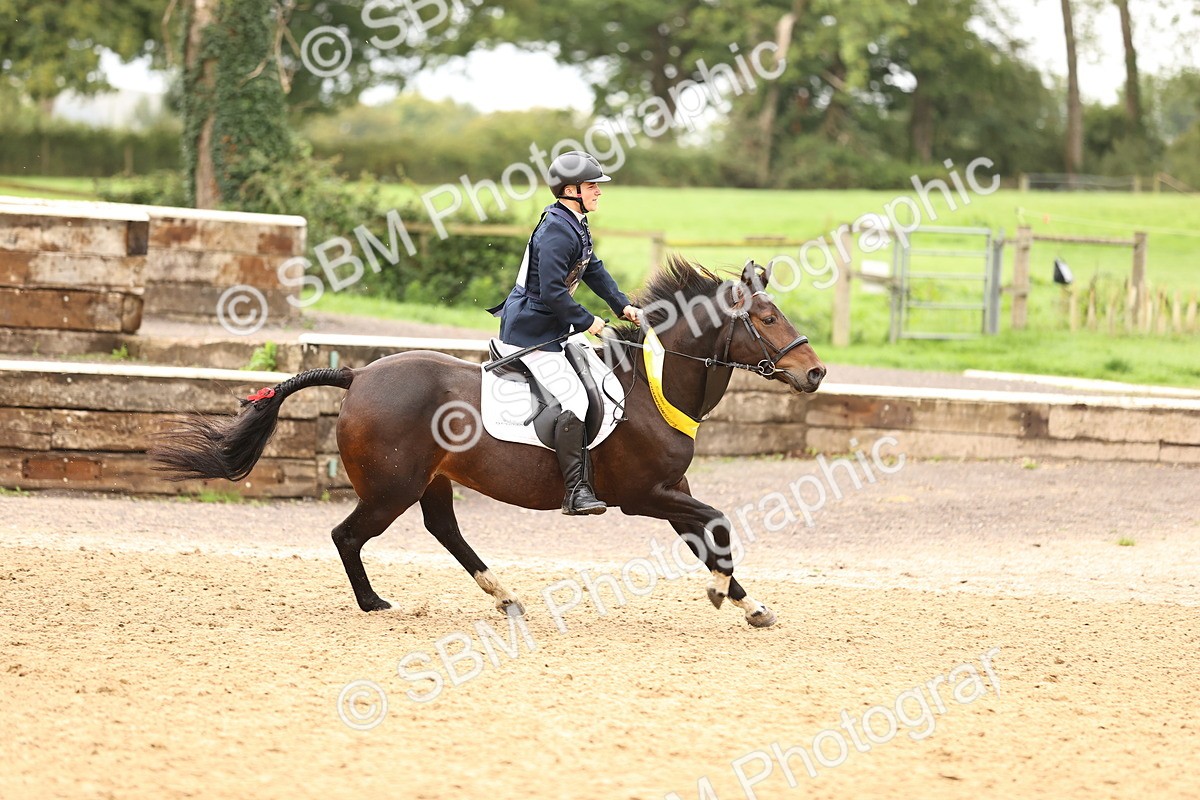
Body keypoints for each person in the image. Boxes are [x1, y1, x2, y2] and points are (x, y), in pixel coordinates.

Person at [487, 151, 640, 515]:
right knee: (576, 400)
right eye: (592, 186)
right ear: (570, 190)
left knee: (600, 379)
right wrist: (588, 321)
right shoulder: (557, 227)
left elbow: (593, 269)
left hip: (553, 325)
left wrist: (622, 305)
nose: (598, 192)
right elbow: (553, 290)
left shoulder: (574, 222)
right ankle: (575, 492)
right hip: (531, 330)